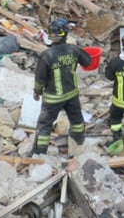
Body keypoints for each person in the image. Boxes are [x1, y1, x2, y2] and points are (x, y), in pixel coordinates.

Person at [32, 18, 92, 155]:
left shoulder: (47, 55)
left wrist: (37, 91)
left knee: (45, 125)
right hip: (71, 93)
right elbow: (88, 62)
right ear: (66, 34)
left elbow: (40, 78)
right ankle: (78, 142)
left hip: (53, 98)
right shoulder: (74, 50)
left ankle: (39, 153)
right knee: (76, 119)